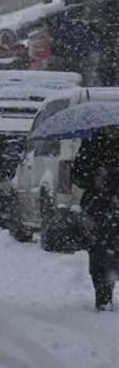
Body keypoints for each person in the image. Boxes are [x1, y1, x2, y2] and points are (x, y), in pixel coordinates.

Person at [72, 126, 119, 311]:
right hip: (98, 207)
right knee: (100, 251)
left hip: (107, 205)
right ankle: (103, 296)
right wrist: (94, 178)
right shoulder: (92, 143)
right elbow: (78, 176)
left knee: (106, 250)